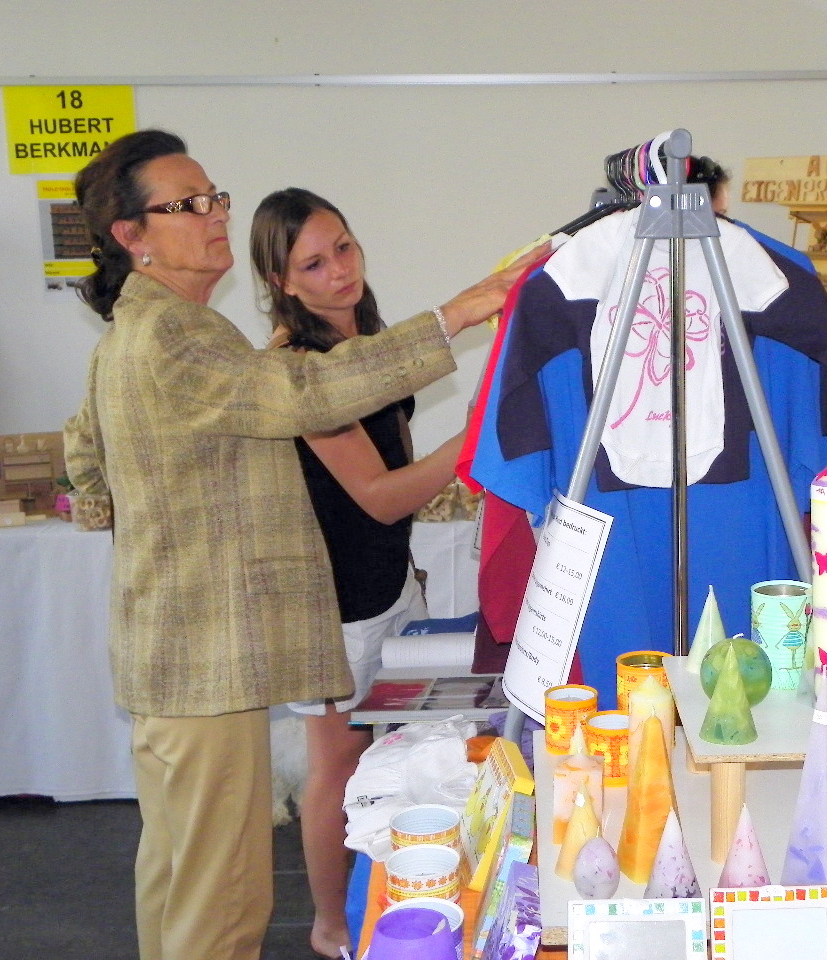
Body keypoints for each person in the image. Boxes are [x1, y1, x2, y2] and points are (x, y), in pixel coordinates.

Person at [63, 129, 542, 960]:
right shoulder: (176, 336)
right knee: (221, 902)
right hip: (205, 664)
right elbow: (312, 392)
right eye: (188, 205)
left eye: (214, 196)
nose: (215, 215)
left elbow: (85, 451)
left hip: (176, 659)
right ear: (132, 236)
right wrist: (459, 313)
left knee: (179, 879)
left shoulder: (138, 334)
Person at [248, 187, 465, 958]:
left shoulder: (363, 337)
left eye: (343, 247)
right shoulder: (300, 368)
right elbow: (378, 495)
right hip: (333, 608)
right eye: (313, 263)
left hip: (384, 583)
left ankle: (393, 894)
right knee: (336, 766)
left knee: (393, 753)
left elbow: (390, 464)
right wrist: (472, 442)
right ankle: (330, 927)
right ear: (280, 280)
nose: (339, 269)